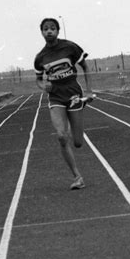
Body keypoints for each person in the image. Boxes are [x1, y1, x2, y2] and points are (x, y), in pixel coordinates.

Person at [34, 17, 94, 190]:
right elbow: (38, 80)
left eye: (52, 28)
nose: (49, 31)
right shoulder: (40, 57)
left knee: (78, 142)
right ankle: (77, 176)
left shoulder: (70, 47)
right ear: (42, 32)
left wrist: (89, 91)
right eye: (46, 29)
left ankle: (81, 110)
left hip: (74, 93)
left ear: (58, 31)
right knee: (61, 136)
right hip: (55, 97)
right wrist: (44, 86)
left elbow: (86, 67)